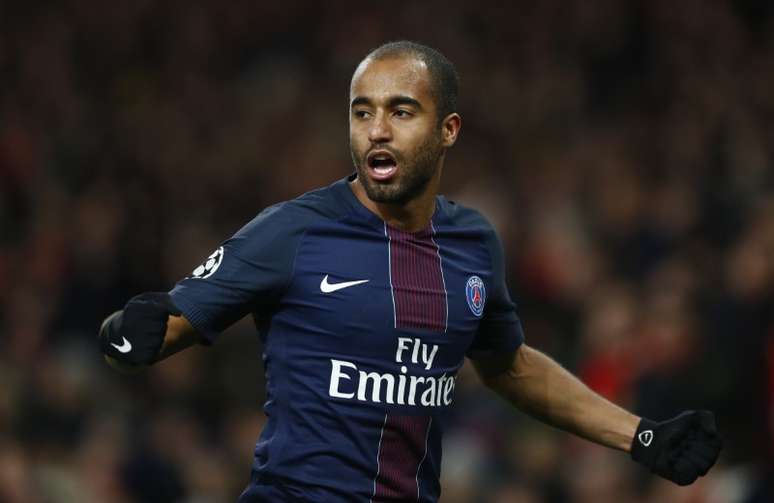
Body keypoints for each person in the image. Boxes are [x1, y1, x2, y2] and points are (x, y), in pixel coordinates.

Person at [99, 41, 722, 502]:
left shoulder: (473, 242)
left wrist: (639, 435)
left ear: (447, 129)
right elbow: (160, 327)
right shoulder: (292, 230)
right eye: (362, 111)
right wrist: (122, 337)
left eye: (401, 112)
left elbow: (510, 366)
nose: (377, 131)